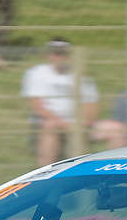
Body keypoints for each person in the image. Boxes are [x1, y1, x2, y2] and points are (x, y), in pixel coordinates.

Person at [22, 36, 98, 164]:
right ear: (48, 55)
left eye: (62, 54)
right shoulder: (36, 73)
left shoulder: (80, 75)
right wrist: (63, 123)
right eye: (55, 53)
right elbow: (37, 105)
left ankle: (118, 171)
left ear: (69, 55)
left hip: (79, 123)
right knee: (50, 126)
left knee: (115, 129)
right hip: (51, 122)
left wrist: (84, 123)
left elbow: (91, 104)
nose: (58, 57)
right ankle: (47, 171)